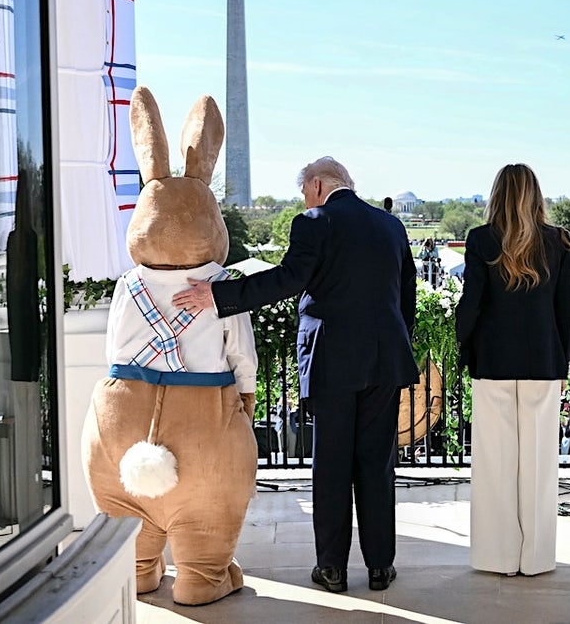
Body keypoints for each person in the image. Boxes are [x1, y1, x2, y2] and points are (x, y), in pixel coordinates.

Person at [173, 156, 418, 594]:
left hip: (332, 361)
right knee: (376, 465)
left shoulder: (314, 222)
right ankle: (381, 567)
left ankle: (332, 570)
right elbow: (405, 301)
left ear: (319, 185)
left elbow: (287, 280)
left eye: (304, 191)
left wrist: (218, 295)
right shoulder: (390, 227)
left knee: (332, 466)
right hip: (385, 360)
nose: (304, 200)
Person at [454, 163, 570, 577]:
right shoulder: (559, 242)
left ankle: (498, 556)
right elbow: (565, 314)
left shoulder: (482, 240)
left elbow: (471, 304)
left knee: (494, 463)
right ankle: (537, 558)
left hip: (493, 363)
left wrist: (464, 347)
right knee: (540, 466)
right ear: (536, 194)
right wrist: (563, 363)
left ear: (497, 194)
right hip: (543, 361)